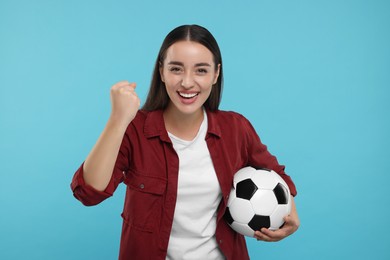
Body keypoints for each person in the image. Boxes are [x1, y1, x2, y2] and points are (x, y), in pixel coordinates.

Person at [71, 24, 299, 260]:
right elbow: (89, 193)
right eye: (176, 69)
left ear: (216, 74)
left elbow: (278, 176)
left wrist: (290, 213)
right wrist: (117, 120)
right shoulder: (135, 129)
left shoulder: (236, 129)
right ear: (161, 71)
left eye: (201, 70)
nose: (187, 82)